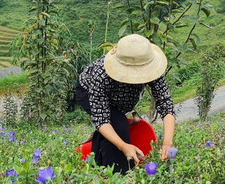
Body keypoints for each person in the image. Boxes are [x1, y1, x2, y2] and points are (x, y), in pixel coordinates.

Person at [75, 34, 176, 174]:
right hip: (87, 91)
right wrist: (123, 146)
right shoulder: (100, 74)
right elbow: (101, 120)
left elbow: (166, 105)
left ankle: (96, 164)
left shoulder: (151, 65)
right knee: (118, 125)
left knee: (115, 126)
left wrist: (167, 143)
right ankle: (120, 177)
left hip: (120, 101)